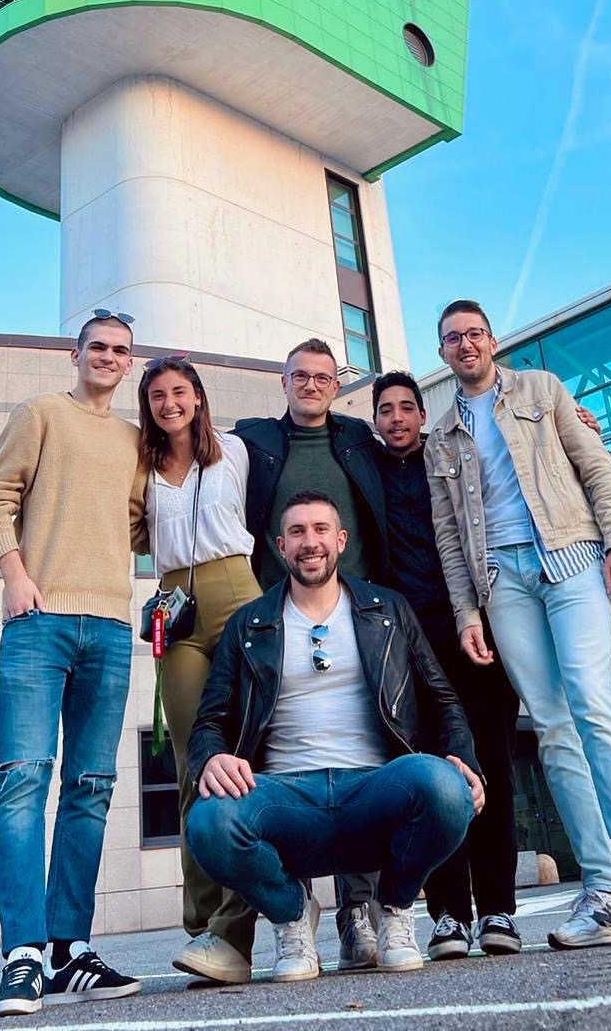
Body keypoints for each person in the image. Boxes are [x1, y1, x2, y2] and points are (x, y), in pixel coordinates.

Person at [426, 300, 611, 949]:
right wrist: (467, 613)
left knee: (594, 706)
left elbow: (595, 465)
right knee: (553, 725)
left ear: (492, 340)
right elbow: (451, 538)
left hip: (570, 560)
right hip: (502, 584)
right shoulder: (440, 437)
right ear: (443, 352)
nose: (466, 345)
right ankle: (601, 892)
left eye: (475, 334)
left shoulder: (542, 388)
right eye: (453, 338)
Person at [185, 492, 483, 982]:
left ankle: (393, 909)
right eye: (297, 532)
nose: (310, 542)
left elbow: (442, 698)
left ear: (340, 540)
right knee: (209, 821)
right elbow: (209, 722)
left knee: (446, 788)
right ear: (281, 546)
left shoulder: (387, 609)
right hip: (285, 800)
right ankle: (291, 915)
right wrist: (212, 758)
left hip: (374, 792)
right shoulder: (249, 624)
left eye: (321, 529)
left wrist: (463, 757)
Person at [0, 314, 144, 1018]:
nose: (107, 358)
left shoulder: (136, 442)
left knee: (91, 788)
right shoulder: (41, 413)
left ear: (131, 364)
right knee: (22, 783)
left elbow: (135, 523)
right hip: (37, 621)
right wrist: (15, 575)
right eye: (97, 347)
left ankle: (69, 950)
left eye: (120, 352)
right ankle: (23, 956)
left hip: (110, 626)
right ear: (75, 354)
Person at [234, 339, 388, 969]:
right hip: (280, 618)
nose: (312, 385)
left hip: (357, 613)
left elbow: (413, 459)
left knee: (358, 750)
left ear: (336, 383)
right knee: (286, 754)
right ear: (284, 381)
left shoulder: (357, 439)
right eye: (301, 376)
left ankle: (358, 910)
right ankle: (295, 907)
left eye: (324, 377)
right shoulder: (252, 440)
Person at [372, 370, 522, 961]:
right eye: (387, 410)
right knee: (435, 779)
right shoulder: (370, 470)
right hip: (411, 646)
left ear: (422, 415)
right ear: (376, 421)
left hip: (476, 629)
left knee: (492, 769)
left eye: (408, 407)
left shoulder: (449, 456)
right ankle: (449, 917)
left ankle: (500, 911)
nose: (399, 418)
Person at [131, 357, 260, 986]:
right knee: (193, 765)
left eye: (179, 391)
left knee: (247, 756)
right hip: (174, 609)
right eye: (157, 395)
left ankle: (247, 921)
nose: (169, 403)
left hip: (237, 588)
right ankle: (206, 925)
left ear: (199, 397)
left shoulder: (236, 450)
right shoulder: (141, 466)